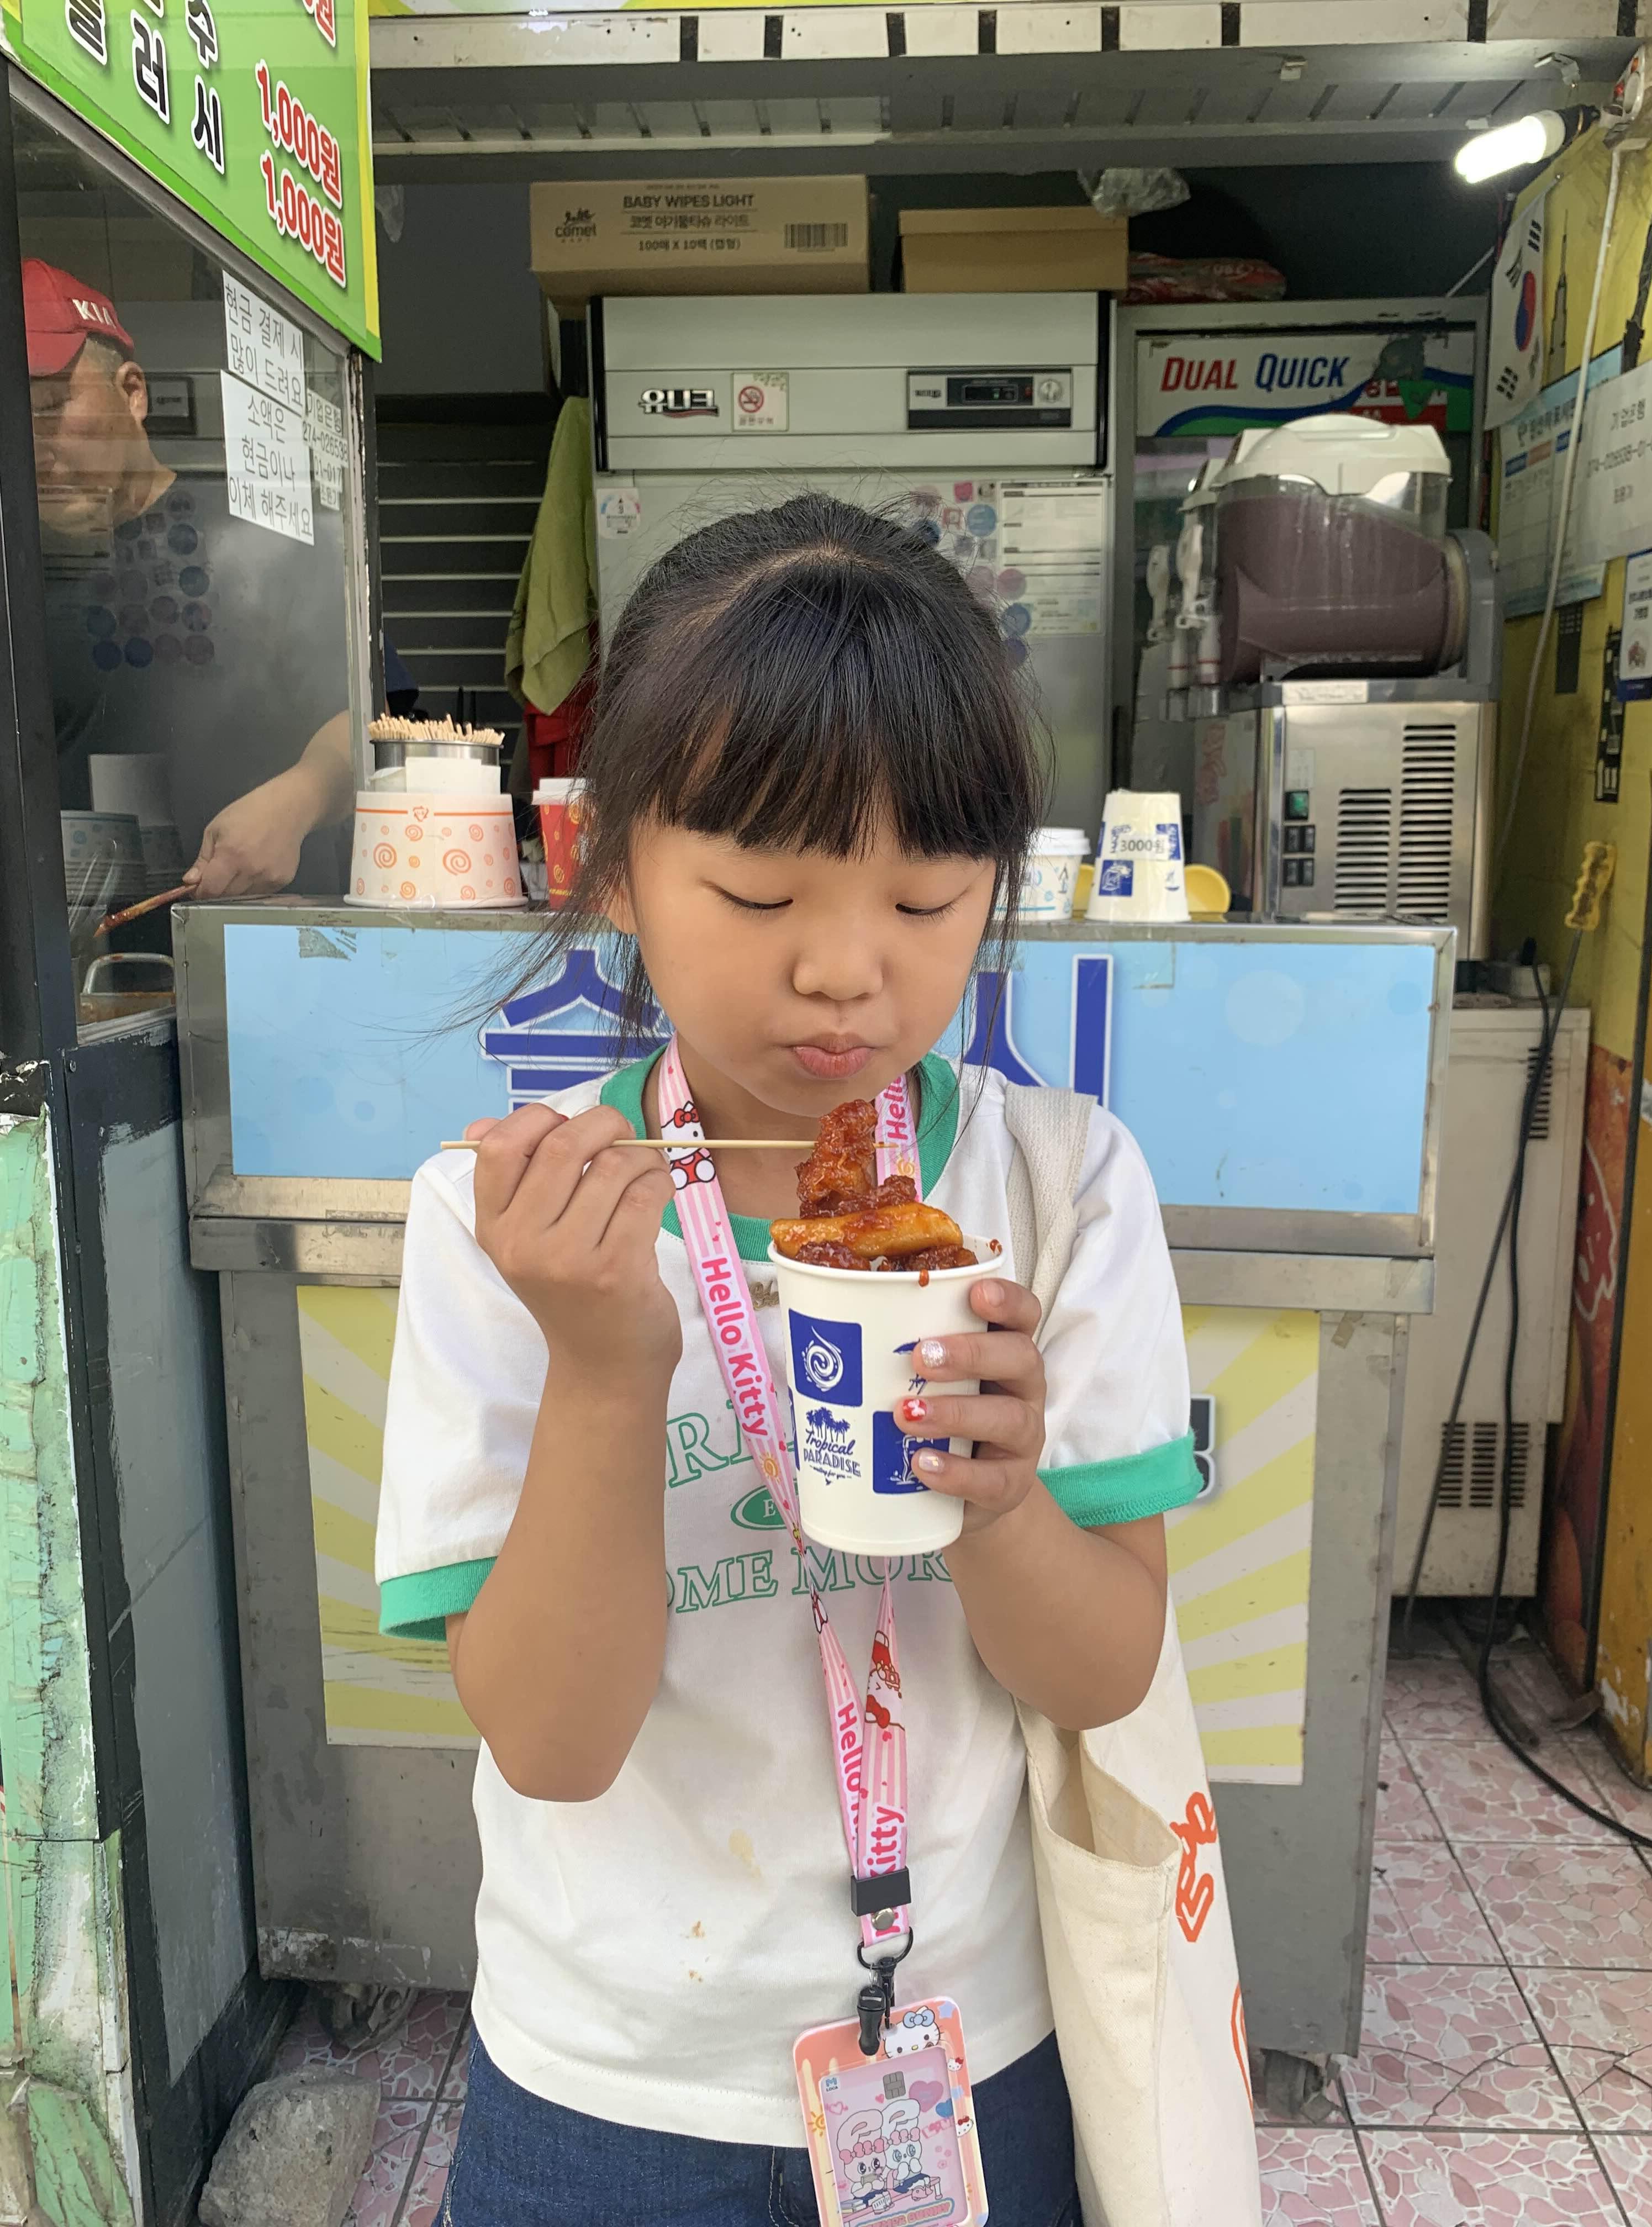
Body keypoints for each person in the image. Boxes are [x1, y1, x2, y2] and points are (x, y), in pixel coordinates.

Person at [377, 495, 1210, 2226]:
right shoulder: (512, 1222)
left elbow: (1104, 1674)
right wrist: (609, 1369)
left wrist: (1002, 1504)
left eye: (926, 897)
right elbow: (551, 1744)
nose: (847, 974)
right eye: (761, 893)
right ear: (614, 866)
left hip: (973, 2054)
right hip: (607, 2085)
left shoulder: (1057, 1192)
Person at [24, 258, 353, 898]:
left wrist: (299, 799)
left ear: (133, 392)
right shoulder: (18, 575)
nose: (33, 448)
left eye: (51, 407)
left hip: (260, 924)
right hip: (75, 941)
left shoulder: (262, 540)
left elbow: (365, 719)